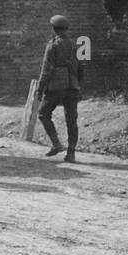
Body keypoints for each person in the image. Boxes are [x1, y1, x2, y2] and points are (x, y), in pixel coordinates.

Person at [37, 14, 82, 163]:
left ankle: (56, 144)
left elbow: (46, 70)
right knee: (71, 120)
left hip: (56, 87)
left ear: (54, 29)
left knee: (43, 113)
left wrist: (40, 89)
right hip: (73, 87)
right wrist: (78, 85)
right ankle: (71, 153)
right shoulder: (76, 45)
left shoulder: (53, 45)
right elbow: (81, 68)